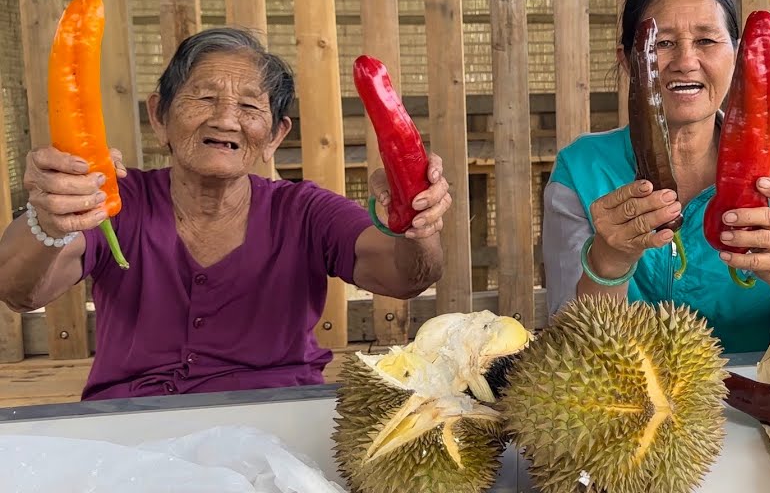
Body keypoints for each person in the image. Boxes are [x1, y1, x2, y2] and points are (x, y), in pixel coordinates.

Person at [0, 28, 453, 401]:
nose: (226, 120)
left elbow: (405, 277)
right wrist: (50, 218)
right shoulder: (119, 202)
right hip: (132, 425)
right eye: (204, 98)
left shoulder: (303, 212)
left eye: (251, 107)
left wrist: (414, 224)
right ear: (160, 117)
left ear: (274, 135)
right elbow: (19, 290)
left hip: (277, 420)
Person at [541, 0, 770, 354]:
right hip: (628, 404)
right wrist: (608, 262)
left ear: (736, 55)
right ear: (628, 61)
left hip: (760, 407)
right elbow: (566, 345)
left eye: (706, 41)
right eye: (662, 44)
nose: (685, 61)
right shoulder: (581, 171)